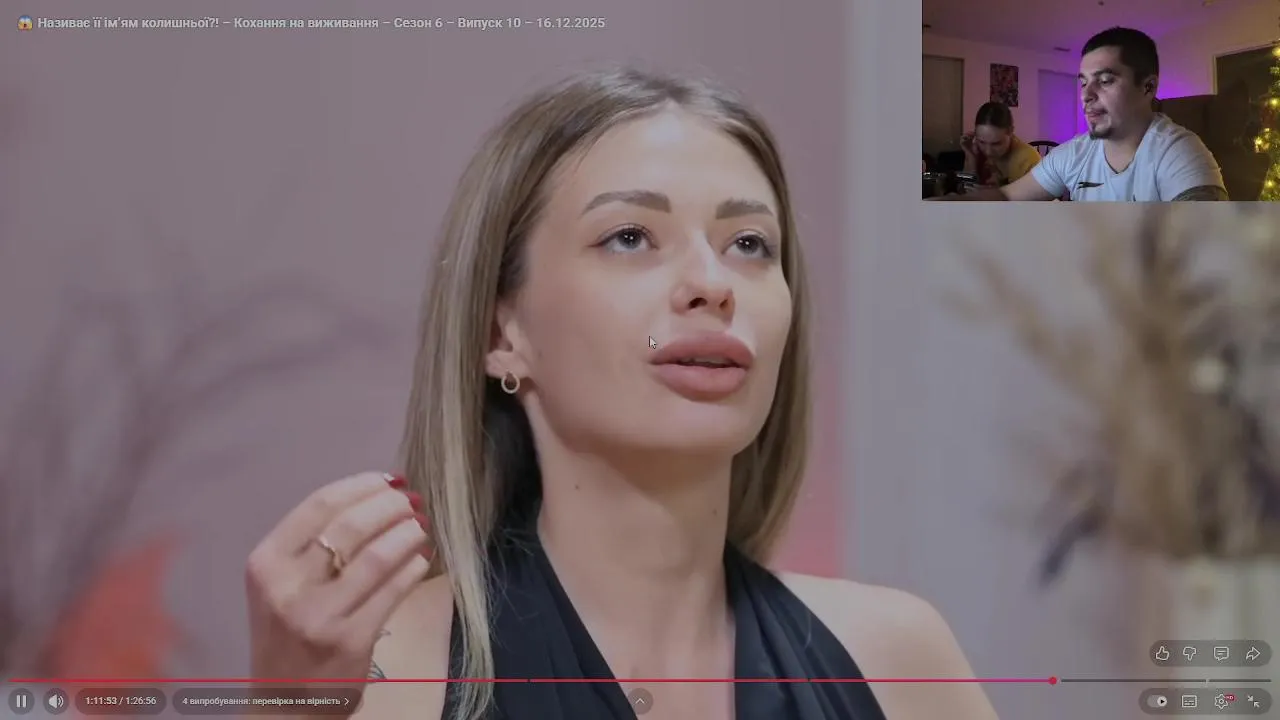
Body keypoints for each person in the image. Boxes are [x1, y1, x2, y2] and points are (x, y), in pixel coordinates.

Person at [244, 68, 999, 720]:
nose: (712, 284)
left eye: (749, 244)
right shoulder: (382, 676)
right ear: (501, 332)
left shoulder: (899, 664)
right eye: (630, 237)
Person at [934, 27, 1226, 201]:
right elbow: (1006, 196)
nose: (1086, 95)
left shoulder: (1179, 152)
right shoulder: (1075, 153)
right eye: (1083, 82)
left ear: (1148, 87)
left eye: (1105, 80)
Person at [960, 102, 1041, 187]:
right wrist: (970, 158)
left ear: (1010, 131)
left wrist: (997, 191)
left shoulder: (1029, 159)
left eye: (996, 144)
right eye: (982, 142)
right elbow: (963, 188)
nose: (988, 152)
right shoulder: (975, 149)